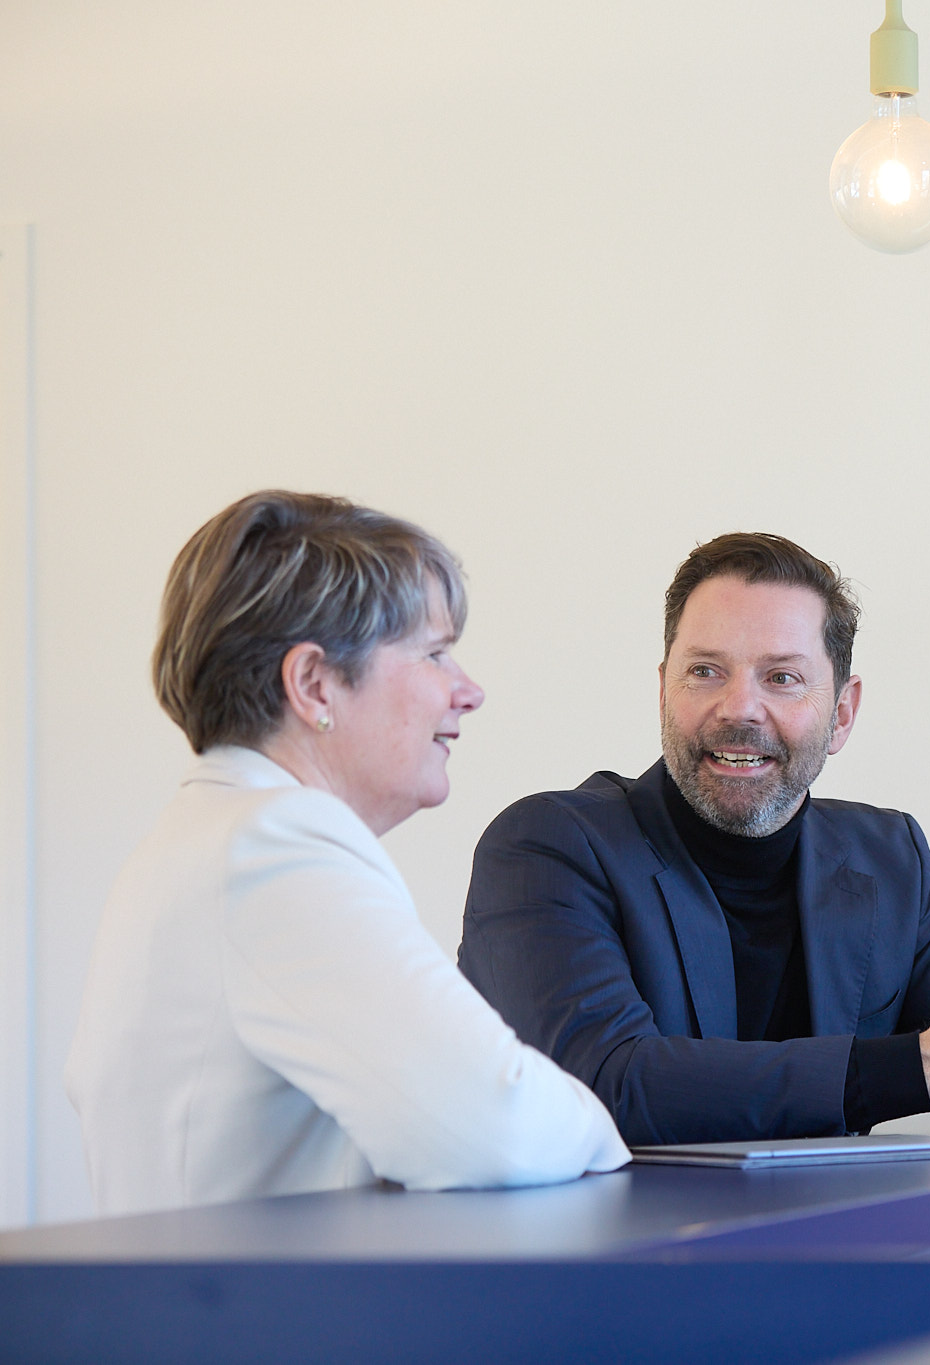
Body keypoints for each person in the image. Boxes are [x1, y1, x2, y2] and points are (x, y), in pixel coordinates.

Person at [65, 492, 628, 1217]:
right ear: (314, 684)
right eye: (434, 652)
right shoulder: (276, 846)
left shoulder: (210, 836)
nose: (469, 690)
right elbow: (500, 1125)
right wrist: (595, 1121)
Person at [458, 533, 930, 1145]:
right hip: (613, 1264)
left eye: (781, 677)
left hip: (835, 1256)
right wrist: (917, 1069)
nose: (740, 707)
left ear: (841, 713)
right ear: (663, 690)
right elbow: (605, 1082)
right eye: (706, 671)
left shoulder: (889, 859)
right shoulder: (548, 847)